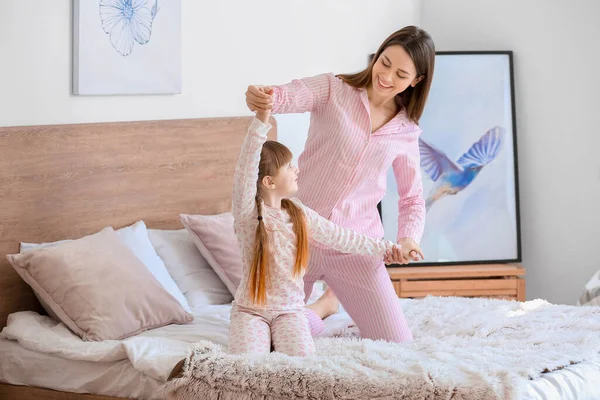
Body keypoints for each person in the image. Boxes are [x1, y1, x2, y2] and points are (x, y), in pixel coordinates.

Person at [245, 26, 435, 342]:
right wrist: (264, 96)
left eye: (401, 74)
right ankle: (322, 307)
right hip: (296, 240)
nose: (387, 76)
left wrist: (408, 238)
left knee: (397, 344)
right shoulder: (334, 89)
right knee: (269, 341)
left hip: (356, 247)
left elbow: (412, 197)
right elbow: (290, 94)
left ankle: (327, 303)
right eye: (385, 62)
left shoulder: (406, 130)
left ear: (416, 81)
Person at [228, 106, 405, 356]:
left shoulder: (298, 213)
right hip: (251, 312)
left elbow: (340, 237)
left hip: (290, 310)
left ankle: (323, 305)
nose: (296, 169)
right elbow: (245, 170)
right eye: (289, 167)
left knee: (302, 367)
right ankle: (323, 306)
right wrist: (261, 121)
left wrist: (385, 248)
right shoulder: (248, 214)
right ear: (269, 182)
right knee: (248, 365)